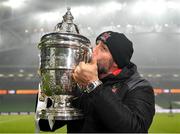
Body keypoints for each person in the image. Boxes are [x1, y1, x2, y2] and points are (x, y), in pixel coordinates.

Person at [38, 31, 155, 133]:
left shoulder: (139, 87)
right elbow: (45, 125)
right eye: (96, 45)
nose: (94, 51)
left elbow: (135, 129)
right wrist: (50, 81)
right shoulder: (80, 83)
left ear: (116, 62)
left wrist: (94, 85)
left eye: (103, 49)